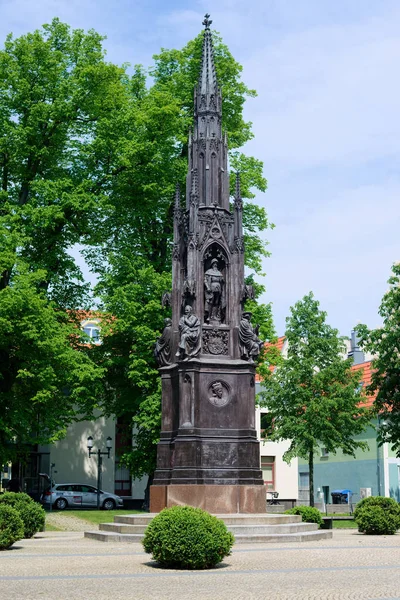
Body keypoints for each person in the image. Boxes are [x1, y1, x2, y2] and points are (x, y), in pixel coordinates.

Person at [204, 258, 225, 322]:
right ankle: (209, 316)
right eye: (214, 263)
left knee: (216, 302)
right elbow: (205, 280)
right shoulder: (209, 272)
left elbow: (222, 281)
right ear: (212, 264)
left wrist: (222, 280)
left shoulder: (219, 272)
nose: (215, 265)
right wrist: (208, 287)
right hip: (211, 289)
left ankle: (215, 316)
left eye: (216, 264)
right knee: (211, 302)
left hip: (218, 289)